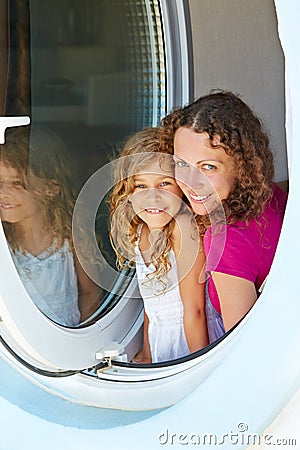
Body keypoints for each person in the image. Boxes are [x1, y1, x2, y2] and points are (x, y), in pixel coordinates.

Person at [161, 90, 287, 343]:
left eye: (209, 167)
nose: (190, 182)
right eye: (182, 165)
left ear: (241, 165)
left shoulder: (227, 239)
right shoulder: (270, 193)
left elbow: (245, 348)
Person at [109, 127, 208, 363]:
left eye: (164, 183)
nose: (152, 198)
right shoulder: (141, 231)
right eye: (141, 186)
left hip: (192, 344)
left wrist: (198, 369)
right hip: (162, 345)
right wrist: (148, 355)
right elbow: (151, 309)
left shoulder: (182, 227)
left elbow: (195, 311)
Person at [0, 126, 101, 326]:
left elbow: (91, 294)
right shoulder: (5, 243)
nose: (3, 192)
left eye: (18, 183)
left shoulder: (71, 238)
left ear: (50, 189)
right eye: (0, 181)